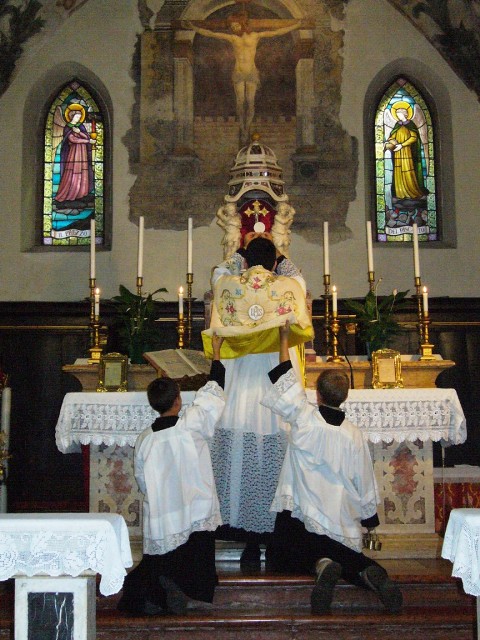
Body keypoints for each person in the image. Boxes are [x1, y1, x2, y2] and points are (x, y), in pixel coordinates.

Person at [262, 322, 403, 615]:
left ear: (318, 395)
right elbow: (363, 478)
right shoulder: (353, 434)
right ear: (344, 396)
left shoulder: (304, 419)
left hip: (302, 512)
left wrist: (284, 339)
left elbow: (285, 377)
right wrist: (370, 520)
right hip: (340, 516)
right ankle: (365, 570)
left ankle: (323, 565)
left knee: (280, 552)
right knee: (340, 548)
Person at [205, 235, 311, 570]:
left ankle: (246, 539)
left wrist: (240, 252)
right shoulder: (287, 285)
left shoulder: (230, 285)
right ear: (275, 262)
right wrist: (281, 257)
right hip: (273, 380)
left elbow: (218, 272)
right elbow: (300, 279)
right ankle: (275, 536)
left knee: (241, 454)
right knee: (275, 456)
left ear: (247, 262)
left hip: (241, 384)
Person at [117, 334, 225, 616]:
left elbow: (142, 480)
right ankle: (186, 589)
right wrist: (216, 353)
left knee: (162, 558)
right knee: (195, 552)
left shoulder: (145, 439)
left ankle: (165, 588)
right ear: (178, 400)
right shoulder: (191, 425)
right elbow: (214, 392)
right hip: (196, 505)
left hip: (165, 512)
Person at [187, 15, 301, 141]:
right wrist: (194, 27)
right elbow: (212, 34)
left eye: (236, 25)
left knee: (250, 102)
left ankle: (248, 126)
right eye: (232, 27)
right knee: (240, 102)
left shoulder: (255, 36)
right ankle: (243, 128)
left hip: (251, 72)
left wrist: (295, 26)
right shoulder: (233, 38)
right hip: (239, 72)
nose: (234, 28)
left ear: (242, 24)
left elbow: (276, 32)